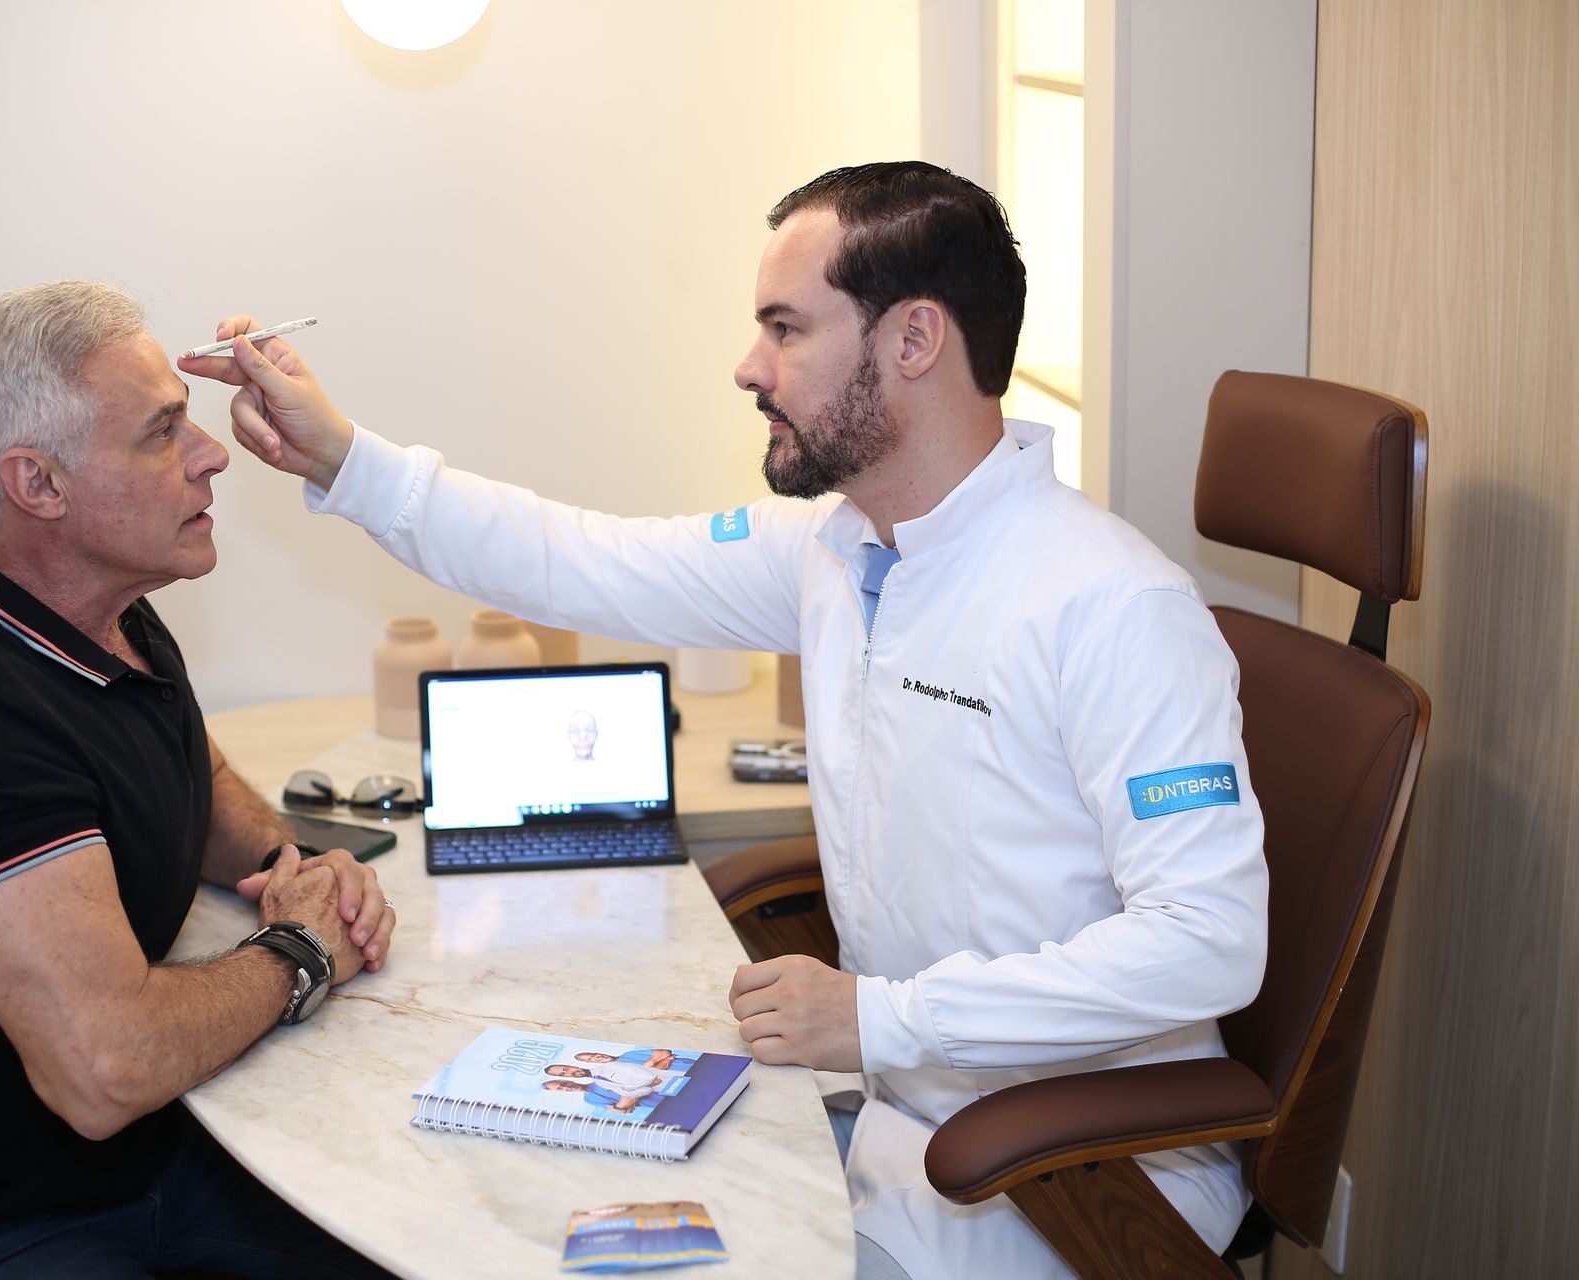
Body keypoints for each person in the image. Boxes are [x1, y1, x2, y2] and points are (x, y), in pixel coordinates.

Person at [182, 161, 1268, 1279]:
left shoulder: (1111, 608)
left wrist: (880, 1018)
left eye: (786, 329)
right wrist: (348, 460)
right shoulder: (839, 551)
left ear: (914, 340)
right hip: (905, 1114)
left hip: (1073, 1175)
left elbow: (1209, 941)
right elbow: (582, 561)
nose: (750, 367)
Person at [0, 281, 397, 1280]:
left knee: (404, 1236)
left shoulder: (104, 610)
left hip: (138, 1161)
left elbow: (192, 767)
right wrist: (302, 947)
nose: (211, 454)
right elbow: (109, 1068)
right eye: (160, 433)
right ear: (38, 485)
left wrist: (290, 859)